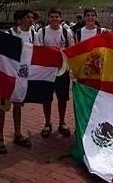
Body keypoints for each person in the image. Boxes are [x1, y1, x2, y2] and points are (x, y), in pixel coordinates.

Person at [0, 9, 37, 153]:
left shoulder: (33, 34)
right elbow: (0, 56)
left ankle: (17, 134)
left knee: (18, 105)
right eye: (28, 17)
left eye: (32, 17)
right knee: (3, 107)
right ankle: (0, 137)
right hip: (8, 76)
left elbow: (37, 52)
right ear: (19, 20)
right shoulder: (8, 35)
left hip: (22, 77)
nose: (31, 20)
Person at [34, 8, 75, 139]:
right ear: (48, 18)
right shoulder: (42, 31)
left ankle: (62, 123)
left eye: (57, 17)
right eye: (52, 17)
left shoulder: (66, 32)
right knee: (46, 98)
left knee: (62, 98)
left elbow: (72, 50)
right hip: (47, 71)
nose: (54, 19)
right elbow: (38, 49)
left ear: (60, 18)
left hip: (63, 70)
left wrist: (71, 69)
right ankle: (47, 123)